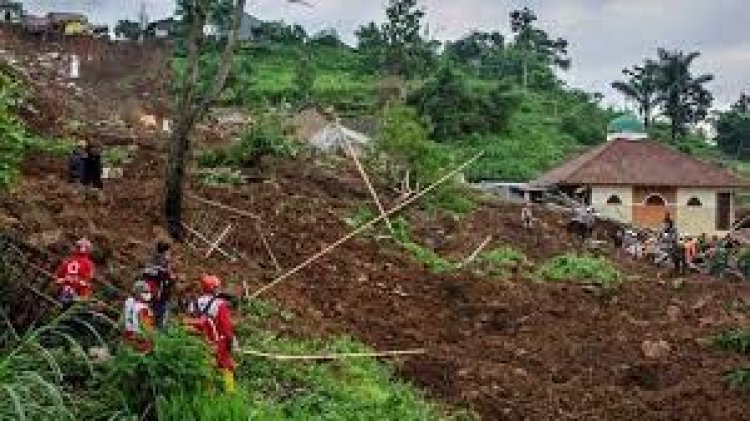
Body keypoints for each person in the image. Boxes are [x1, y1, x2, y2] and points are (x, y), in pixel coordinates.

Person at [187, 275, 236, 393]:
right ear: (214, 288)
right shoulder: (220, 304)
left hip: (197, 342)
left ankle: (207, 393)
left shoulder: (193, 303)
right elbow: (226, 327)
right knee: (227, 366)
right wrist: (230, 342)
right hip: (217, 342)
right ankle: (230, 392)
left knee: (204, 367)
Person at [143, 241, 176, 329]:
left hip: (147, 294)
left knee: (147, 317)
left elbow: (145, 276)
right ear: (165, 252)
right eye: (168, 252)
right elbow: (170, 279)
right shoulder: (163, 265)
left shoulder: (150, 262)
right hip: (160, 297)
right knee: (159, 321)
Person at [55, 238, 96, 305]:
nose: (82, 248)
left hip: (65, 291)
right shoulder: (89, 264)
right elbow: (88, 279)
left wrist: (64, 280)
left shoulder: (68, 261)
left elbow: (58, 276)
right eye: (81, 246)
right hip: (76, 293)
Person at [123, 281, 154, 353]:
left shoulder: (129, 302)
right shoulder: (143, 308)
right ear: (138, 293)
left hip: (128, 338)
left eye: (149, 292)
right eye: (145, 292)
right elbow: (147, 328)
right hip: (140, 341)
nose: (148, 294)